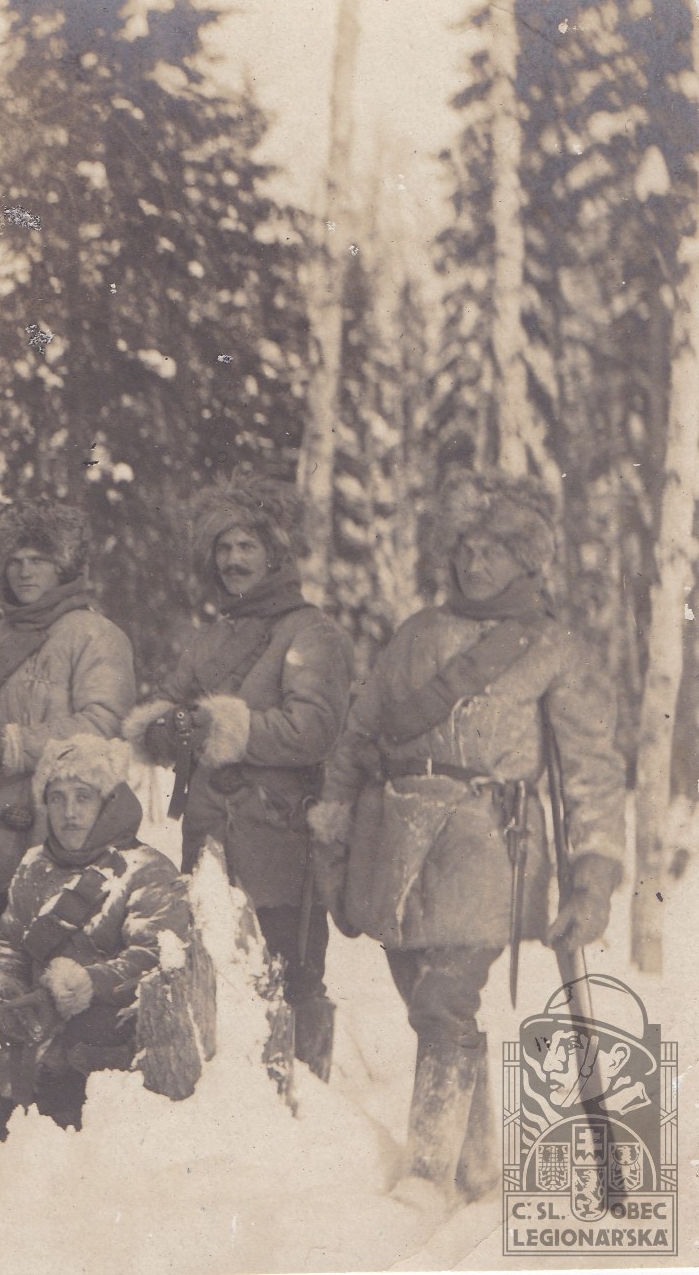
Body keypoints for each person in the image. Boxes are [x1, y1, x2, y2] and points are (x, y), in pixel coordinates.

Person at [309, 471, 625, 1210]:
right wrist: (334, 818)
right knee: (427, 1000)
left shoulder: (553, 648)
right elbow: (360, 733)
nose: (475, 563)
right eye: (466, 548)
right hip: (398, 845)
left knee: (444, 999)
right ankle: (477, 1166)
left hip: (490, 845)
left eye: (494, 551)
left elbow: (592, 774)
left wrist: (593, 877)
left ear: (526, 559)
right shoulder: (415, 635)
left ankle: (428, 1170)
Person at [123, 476, 351, 1078]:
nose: (233, 560)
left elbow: (316, 728)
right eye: (223, 547)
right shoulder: (211, 638)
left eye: (247, 545)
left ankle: (308, 1106)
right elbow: (169, 702)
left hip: (279, 840)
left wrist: (228, 727)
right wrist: (163, 730)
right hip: (209, 835)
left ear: (275, 553)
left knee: (290, 979)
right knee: (215, 971)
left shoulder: (312, 633)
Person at [0, 736, 191, 1146]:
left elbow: (153, 959)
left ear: (108, 801)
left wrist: (78, 986)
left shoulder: (147, 869)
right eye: (57, 799)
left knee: (65, 1143)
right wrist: (5, 994)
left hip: (111, 1038)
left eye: (83, 797)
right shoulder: (33, 864)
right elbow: (11, 944)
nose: (69, 812)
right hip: (41, 1032)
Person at [0, 500, 136, 910]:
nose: (24, 571)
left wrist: (15, 747)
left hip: (67, 828)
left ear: (63, 567)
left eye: (38, 560)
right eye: (14, 561)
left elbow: (104, 722)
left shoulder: (95, 634)